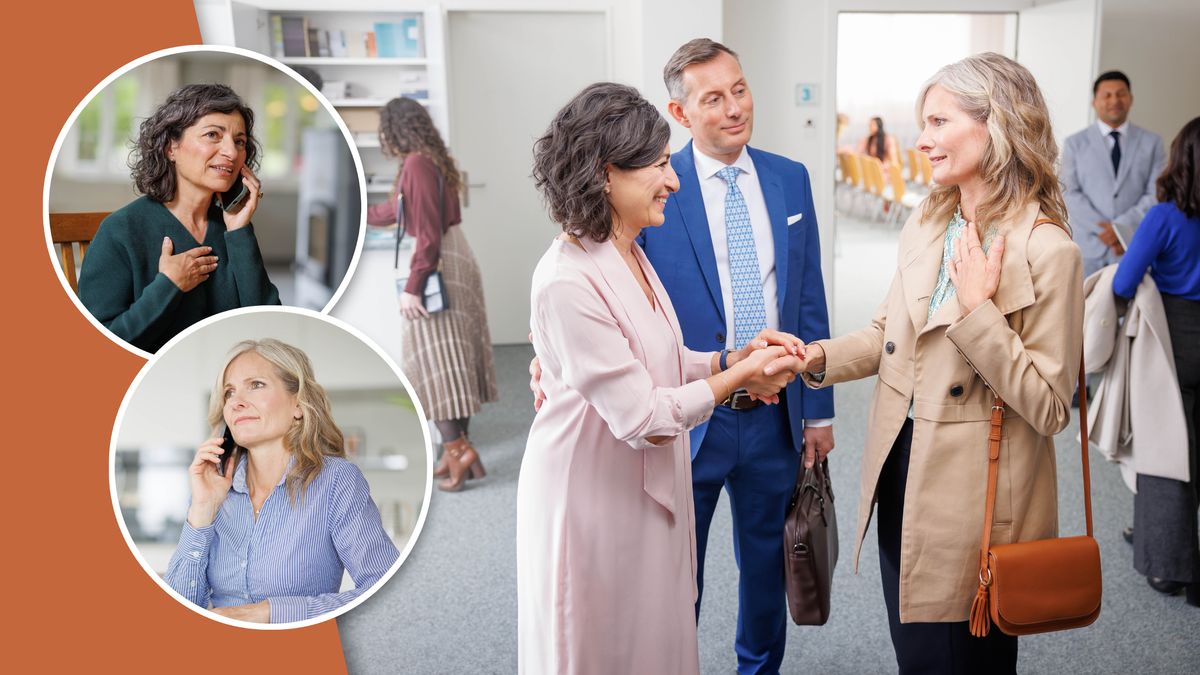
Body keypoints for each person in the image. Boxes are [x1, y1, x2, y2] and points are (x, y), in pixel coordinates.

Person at [775, 53, 1083, 673]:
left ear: (994, 126)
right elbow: (890, 334)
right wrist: (809, 360)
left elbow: (1050, 409)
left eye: (939, 122)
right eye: (924, 123)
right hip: (902, 465)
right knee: (916, 651)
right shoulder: (929, 219)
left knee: (962, 660)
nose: (922, 140)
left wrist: (977, 312)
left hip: (975, 493)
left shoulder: (1049, 249)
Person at [518, 81, 800, 674]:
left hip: (640, 479)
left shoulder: (627, 247)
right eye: (656, 164)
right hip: (591, 492)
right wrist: (740, 377)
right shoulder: (567, 279)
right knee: (603, 642)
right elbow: (642, 414)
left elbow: (662, 360)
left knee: (655, 632)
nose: (673, 180)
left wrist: (730, 360)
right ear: (603, 173)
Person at [164, 339, 400, 623]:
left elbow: (389, 591)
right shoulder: (212, 489)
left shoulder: (336, 481)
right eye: (229, 392)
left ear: (298, 405)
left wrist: (270, 613)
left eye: (256, 385)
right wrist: (202, 511)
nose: (236, 402)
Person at [78, 84, 279, 353]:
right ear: (171, 147)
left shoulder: (232, 228)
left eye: (239, 141)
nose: (231, 152)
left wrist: (240, 232)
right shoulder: (121, 230)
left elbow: (270, 329)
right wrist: (169, 284)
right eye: (212, 135)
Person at [366, 97, 498, 492]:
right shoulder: (429, 159)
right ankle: (456, 452)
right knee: (451, 357)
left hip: (439, 261)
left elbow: (426, 233)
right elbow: (402, 209)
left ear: (396, 129)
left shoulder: (417, 165)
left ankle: (458, 450)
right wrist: (364, 210)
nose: (383, 136)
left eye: (385, 129)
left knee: (433, 359)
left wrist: (413, 287)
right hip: (453, 255)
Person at [1112, 116, 1200, 607]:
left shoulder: (1165, 217)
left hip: (1177, 346)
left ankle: (1169, 567)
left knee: (1166, 453)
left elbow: (1124, 284)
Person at [1062, 70, 1166, 278]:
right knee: (1084, 308)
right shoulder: (1074, 143)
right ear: (1095, 102)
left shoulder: (1152, 143)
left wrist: (1121, 228)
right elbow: (1069, 192)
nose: (1114, 100)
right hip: (1089, 247)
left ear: (1130, 98)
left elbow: (1156, 192)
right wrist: (1107, 232)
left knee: (1130, 308)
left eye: (1121, 94)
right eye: (1107, 95)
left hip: (1133, 246)